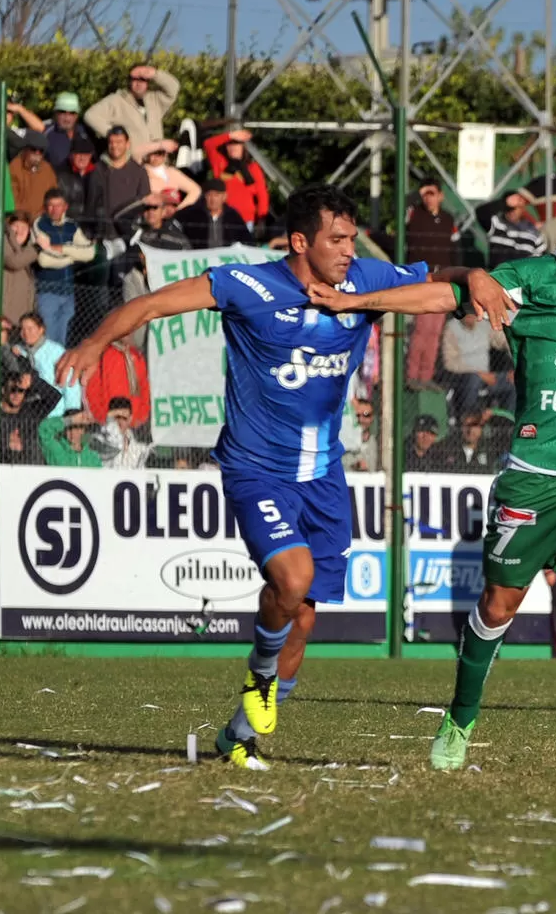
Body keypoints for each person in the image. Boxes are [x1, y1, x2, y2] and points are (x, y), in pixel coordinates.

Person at [56, 183, 505, 771]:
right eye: (336, 239)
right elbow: (150, 305)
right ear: (300, 241)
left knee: (306, 615)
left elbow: (432, 278)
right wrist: (93, 342)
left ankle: (238, 736)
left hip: (323, 474)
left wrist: (470, 275)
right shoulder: (248, 285)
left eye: (351, 238)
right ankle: (260, 677)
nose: (348, 250)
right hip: (255, 469)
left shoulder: (365, 281)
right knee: (291, 582)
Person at [309, 184, 556, 770]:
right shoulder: (533, 279)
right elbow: (437, 295)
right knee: (499, 606)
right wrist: (352, 305)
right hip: (538, 472)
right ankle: (461, 717)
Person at [405, 179, 461, 386]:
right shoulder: (415, 215)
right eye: (425, 194)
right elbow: (404, 218)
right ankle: (412, 375)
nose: (428, 198)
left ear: (441, 196)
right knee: (421, 328)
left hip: (442, 278)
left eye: (432, 193)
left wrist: (455, 276)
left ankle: (426, 376)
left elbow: (456, 250)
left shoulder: (447, 219)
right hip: (423, 277)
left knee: (435, 331)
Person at [32, 187, 95, 345]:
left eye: (58, 205)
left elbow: (90, 252)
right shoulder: (40, 224)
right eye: (50, 205)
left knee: (63, 341)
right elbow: (44, 259)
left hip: (68, 292)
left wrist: (64, 249)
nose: (54, 209)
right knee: (48, 338)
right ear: (45, 207)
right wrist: (73, 256)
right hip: (47, 291)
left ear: (65, 207)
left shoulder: (72, 226)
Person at [84, 64, 181, 156]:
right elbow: (90, 116)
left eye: (143, 79)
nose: (138, 83)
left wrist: (153, 73)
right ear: (129, 81)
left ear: (148, 82)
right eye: (135, 79)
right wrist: (115, 136)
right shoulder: (117, 100)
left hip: (156, 163)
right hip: (132, 162)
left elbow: (174, 88)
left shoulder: (155, 100)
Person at [440, 311, 514, 417]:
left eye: (473, 311)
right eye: (466, 311)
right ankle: (469, 418)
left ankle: (508, 421)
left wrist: (517, 359)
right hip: (463, 377)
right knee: (473, 379)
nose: (470, 315)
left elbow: (505, 341)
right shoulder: (451, 328)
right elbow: (449, 363)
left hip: (487, 377)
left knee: (513, 380)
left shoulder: (484, 325)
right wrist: (478, 374)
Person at [15, 311, 81, 417]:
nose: (26, 333)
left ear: (41, 330)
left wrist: (72, 409)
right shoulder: (20, 351)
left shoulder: (56, 351)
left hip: (55, 412)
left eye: (30, 329)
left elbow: (70, 380)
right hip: (32, 411)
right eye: (22, 329)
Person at [203, 128, 271, 231]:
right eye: (229, 144)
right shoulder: (220, 163)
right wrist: (230, 135)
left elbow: (262, 194)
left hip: (246, 219)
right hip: (223, 217)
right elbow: (208, 144)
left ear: (243, 147)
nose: (233, 147)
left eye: (237, 144)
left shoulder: (252, 167)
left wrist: (262, 217)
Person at [0, 367, 61, 465]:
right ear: (3, 390)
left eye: (21, 390)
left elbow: (54, 396)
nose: (16, 394)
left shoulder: (31, 411)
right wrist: (6, 441)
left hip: (28, 464)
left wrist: (33, 381)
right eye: (12, 389)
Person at [476, 189, 547, 266]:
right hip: (496, 276)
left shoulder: (535, 234)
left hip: (520, 277)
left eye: (514, 208)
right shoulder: (496, 224)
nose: (511, 212)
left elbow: (539, 262)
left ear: (522, 208)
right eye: (508, 209)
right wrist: (505, 202)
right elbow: (480, 212)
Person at [178, 178, 253, 250]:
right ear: (204, 196)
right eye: (209, 195)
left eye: (217, 195)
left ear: (224, 196)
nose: (213, 199)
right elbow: (174, 228)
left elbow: (247, 241)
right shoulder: (191, 213)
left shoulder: (233, 216)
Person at [133, 139, 202, 212]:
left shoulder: (172, 172)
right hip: (151, 213)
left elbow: (195, 190)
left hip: (170, 214)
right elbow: (135, 152)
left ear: (165, 154)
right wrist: (160, 145)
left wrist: (179, 210)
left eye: (160, 153)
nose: (155, 156)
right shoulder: (141, 170)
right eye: (152, 153)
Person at [88, 396, 151, 468]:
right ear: (110, 417)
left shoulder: (138, 449)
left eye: (124, 418)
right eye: (116, 417)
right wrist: (110, 422)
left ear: (130, 418)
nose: (120, 422)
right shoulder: (98, 440)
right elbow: (115, 444)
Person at [10, 130, 59, 219]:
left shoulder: (47, 169)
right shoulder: (14, 167)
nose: (37, 153)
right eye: (33, 149)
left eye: (41, 151)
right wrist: (25, 217)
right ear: (25, 149)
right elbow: (11, 200)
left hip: (43, 220)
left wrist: (44, 213)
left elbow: (54, 195)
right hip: (18, 221)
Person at [2, 212, 38, 326]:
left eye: (24, 227)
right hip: (4, 315)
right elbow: (13, 262)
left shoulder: (27, 250)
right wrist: (37, 249)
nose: (20, 231)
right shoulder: (2, 241)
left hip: (21, 316)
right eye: (16, 226)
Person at [38, 408, 102, 467]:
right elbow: (44, 430)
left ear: (84, 430)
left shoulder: (92, 457)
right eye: (69, 428)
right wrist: (71, 420)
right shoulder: (57, 450)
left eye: (77, 427)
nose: (72, 432)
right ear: (63, 430)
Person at [45, 92, 91, 170]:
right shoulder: (47, 133)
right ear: (56, 114)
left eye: (72, 113)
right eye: (62, 112)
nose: (67, 118)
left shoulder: (85, 133)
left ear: (76, 115)